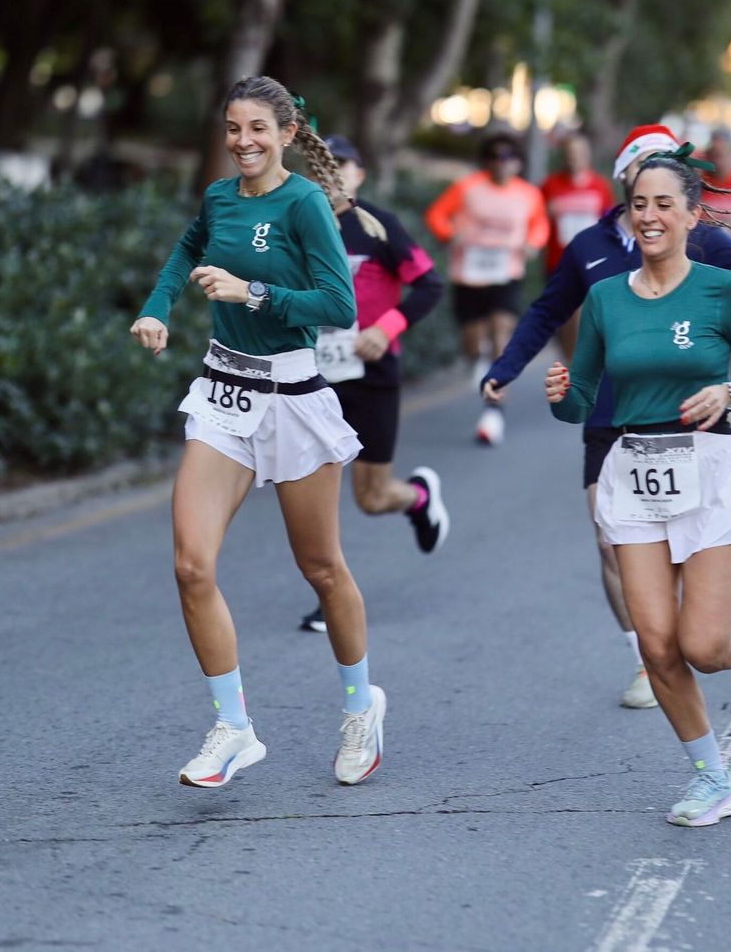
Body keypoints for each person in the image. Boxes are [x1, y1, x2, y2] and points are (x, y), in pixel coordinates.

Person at [482, 124, 731, 709]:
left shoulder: (697, 241)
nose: (651, 206)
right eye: (641, 180)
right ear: (625, 179)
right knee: (611, 544)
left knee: (690, 596)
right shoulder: (589, 248)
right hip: (610, 419)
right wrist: (506, 367)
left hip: (688, 426)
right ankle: (646, 656)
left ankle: (716, 601)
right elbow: (548, 310)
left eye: (664, 186)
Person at [130, 77, 385, 788]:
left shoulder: (304, 204)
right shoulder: (218, 197)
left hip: (293, 399)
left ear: (286, 133)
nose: (243, 142)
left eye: (258, 129)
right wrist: (159, 308)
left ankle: (362, 706)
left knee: (323, 569)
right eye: (233, 129)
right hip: (222, 393)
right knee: (191, 565)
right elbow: (186, 251)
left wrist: (255, 293)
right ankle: (233, 728)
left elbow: (337, 304)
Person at [545, 150, 731, 827]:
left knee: (702, 644)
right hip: (633, 472)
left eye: (665, 204)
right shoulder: (604, 299)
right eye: (640, 204)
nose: (651, 215)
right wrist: (561, 396)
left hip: (713, 473)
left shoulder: (721, 290)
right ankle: (711, 778)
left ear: (693, 216)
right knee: (657, 645)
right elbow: (584, 401)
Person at [298, 134, 449, 634]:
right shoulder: (297, 223)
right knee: (318, 484)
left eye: (344, 163)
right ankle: (330, 597)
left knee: (371, 496)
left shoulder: (378, 226)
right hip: (314, 374)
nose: (333, 171)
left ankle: (420, 499)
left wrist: (386, 328)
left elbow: (429, 283)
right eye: (326, 163)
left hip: (373, 373)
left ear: (360, 173)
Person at [425, 133, 549, 445]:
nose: (501, 163)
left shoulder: (528, 194)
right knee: (472, 342)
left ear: (518, 162)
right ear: (487, 160)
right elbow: (437, 215)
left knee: (500, 333)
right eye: (495, 157)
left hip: (506, 273)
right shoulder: (468, 188)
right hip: (468, 274)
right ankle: (476, 360)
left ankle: (494, 412)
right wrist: (448, 233)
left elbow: (540, 224)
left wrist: (533, 244)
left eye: (508, 158)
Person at [539, 131, 615, 360]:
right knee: (565, 318)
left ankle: (577, 369)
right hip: (558, 262)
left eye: (579, 153)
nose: (574, 158)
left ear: (588, 155)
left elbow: (609, 222)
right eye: (570, 153)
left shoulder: (600, 186)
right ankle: (570, 364)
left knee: (579, 314)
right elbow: (536, 221)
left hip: (591, 261)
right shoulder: (549, 186)